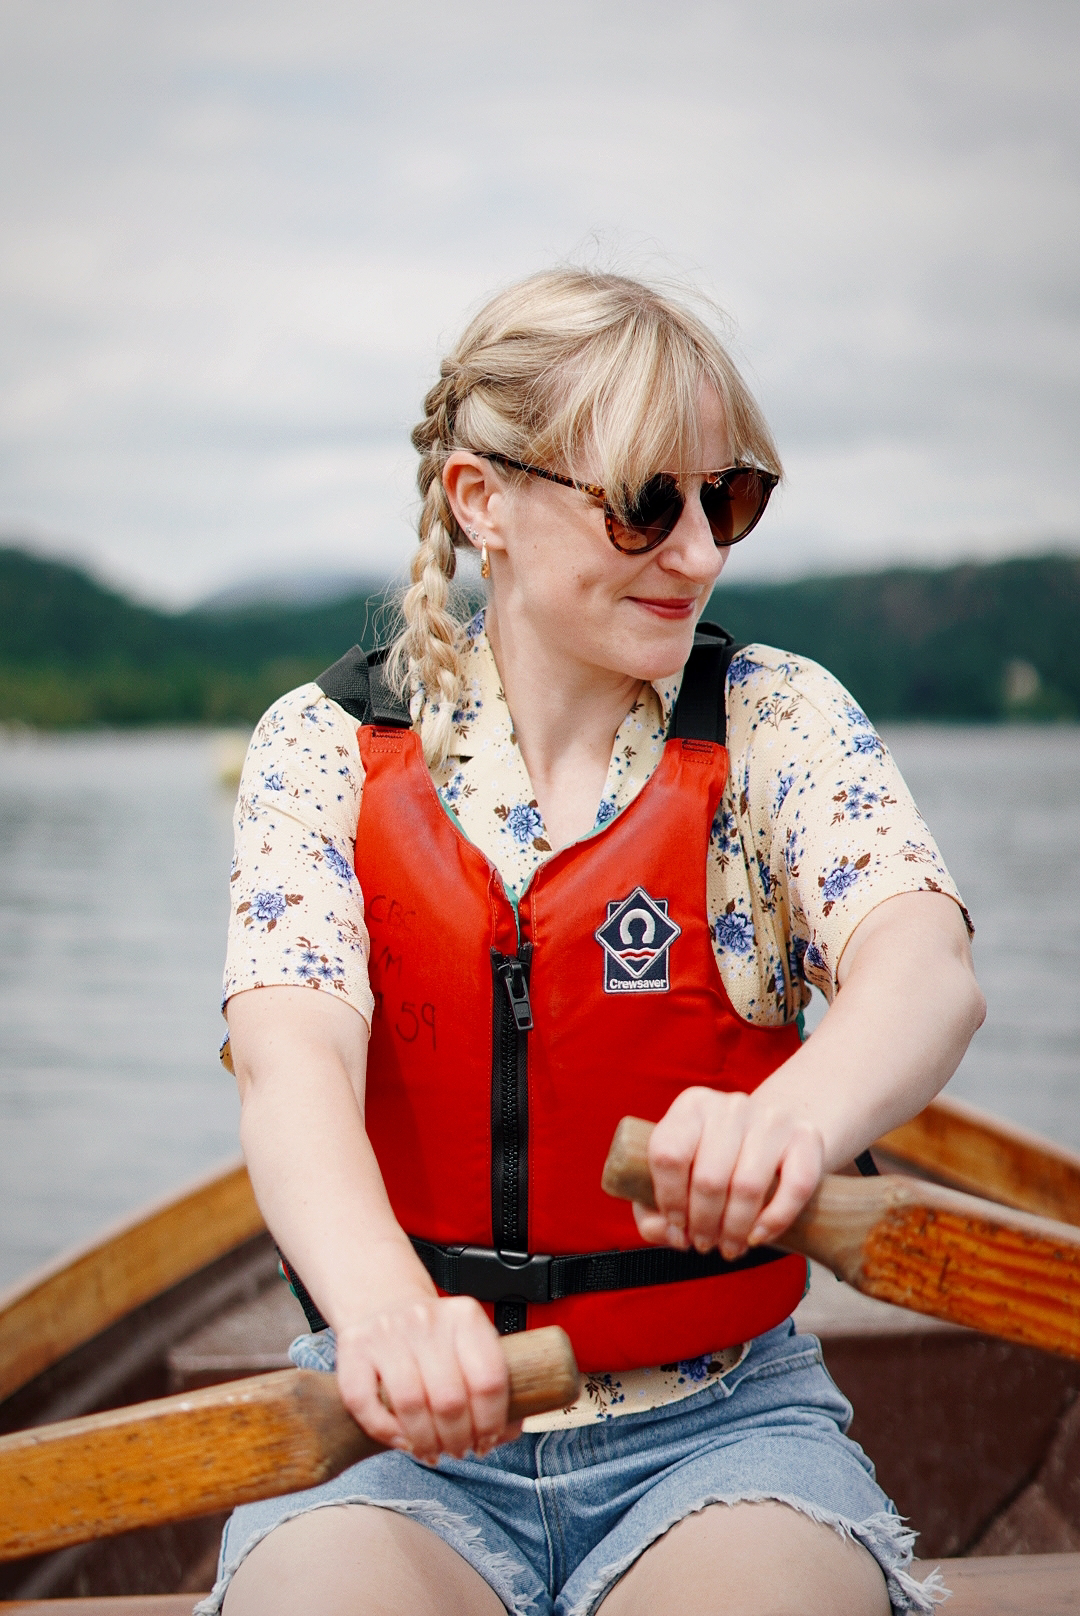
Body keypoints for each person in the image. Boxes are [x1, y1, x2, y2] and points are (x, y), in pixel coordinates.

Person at [200, 269, 984, 1616]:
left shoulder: (777, 724)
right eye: (644, 503)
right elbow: (293, 1070)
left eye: (725, 498)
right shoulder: (320, 748)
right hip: (394, 1438)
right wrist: (391, 1320)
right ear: (480, 500)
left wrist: (789, 1117)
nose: (699, 553)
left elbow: (925, 972)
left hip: (720, 1426)